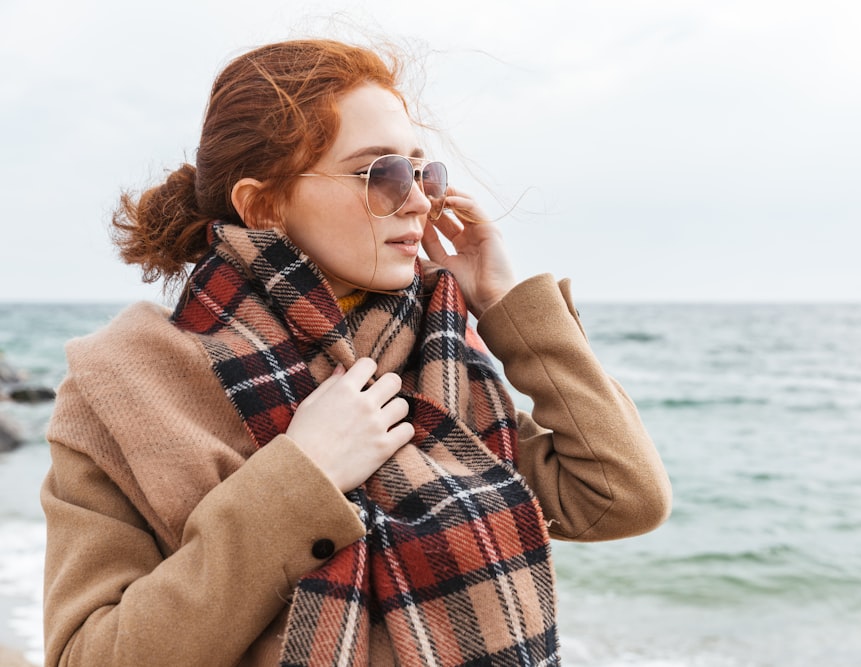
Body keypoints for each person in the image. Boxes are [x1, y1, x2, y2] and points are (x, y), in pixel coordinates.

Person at [41, 38, 671, 667]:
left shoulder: (438, 359)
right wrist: (300, 477)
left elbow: (620, 496)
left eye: (423, 172)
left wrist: (506, 305)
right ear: (263, 205)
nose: (420, 199)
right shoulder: (126, 382)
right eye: (383, 174)